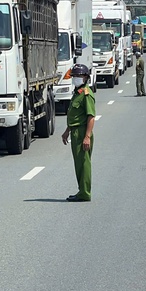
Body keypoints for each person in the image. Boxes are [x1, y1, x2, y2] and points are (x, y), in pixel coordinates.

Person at [61, 64, 95, 202]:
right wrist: (67, 131)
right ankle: (82, 190)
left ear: (86, 77)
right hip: (75, 131)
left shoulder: (86, 94)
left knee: (84, 164)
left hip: (82, 133)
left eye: (79, 76)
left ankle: (85, 193)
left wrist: (87, 136)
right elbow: (75, 115)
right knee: (79, 163)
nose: (76, 78)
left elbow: (91, 117)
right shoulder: (78, 93)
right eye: (74, 76)